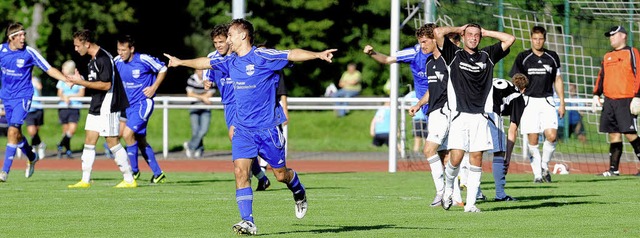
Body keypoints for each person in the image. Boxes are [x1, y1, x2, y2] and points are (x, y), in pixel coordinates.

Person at [164, 18, 335, 235]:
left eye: (231, 35)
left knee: (281, 175)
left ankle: (298, 190)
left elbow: (291, 53)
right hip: (243, 129)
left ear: (243, 35)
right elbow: (205, 63)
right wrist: (180, 62)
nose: (228, 40)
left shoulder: (262, 56)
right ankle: (248, 221)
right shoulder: (230, 61)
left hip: (268, 128)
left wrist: (318, 55)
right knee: (239, 172)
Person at [436, 23, 515, 213]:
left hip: (480, 116)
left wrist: (486, 31)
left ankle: (470, 204)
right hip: (459, 116)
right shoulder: (453, 54)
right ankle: (448, 188)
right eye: (469, 35)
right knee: (455, 158)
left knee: (477, 158)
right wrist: (458, 28)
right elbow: (438, 32)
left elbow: (510, 39)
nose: (473, 38)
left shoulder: (487, 55)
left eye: (477, 35)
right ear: (463, 36)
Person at [364, 23, 437, 204]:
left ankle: (459, 186)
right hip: (427, 107)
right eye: (420, 42)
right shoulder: (414, 53)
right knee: (439, 150)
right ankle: (449, 188)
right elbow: (388, 59)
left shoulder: (446, 53)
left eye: (426, 41)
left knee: (451, 147)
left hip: (447, 103)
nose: (423, 45)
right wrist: (373, 53)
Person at [201, 24, 272, 191]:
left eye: (221, 41)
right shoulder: (213, 57)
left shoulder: (238, 54)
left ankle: (253, 171)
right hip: (228, 105)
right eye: (215, 42)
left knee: (236, 137)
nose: (218, 45)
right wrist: (207, 82)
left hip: (243, 104)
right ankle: (262, 177)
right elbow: (209, 73)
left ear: (229, 39)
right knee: (239, 142)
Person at [66, 29, 136, 188]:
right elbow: (95, 82)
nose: (76, 49)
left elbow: (106, 85)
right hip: (96, 104)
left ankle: (129, 179)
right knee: (89, 140)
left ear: (87, 44)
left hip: (108, 105)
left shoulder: (103, 59)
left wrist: (81, 83)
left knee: (112, 141)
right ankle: (85, 180)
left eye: (78, 46)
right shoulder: (92, 60)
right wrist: (79, 79)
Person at [0, 22, 70, 182]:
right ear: (11, 38)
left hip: (23, 97)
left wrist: (65, 80)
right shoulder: (1, 51)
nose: (24, 38)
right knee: (16, 134)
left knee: (12, 131)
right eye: (20, 35)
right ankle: (32, 156)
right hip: (7, 98)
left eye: (24, 34)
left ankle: (4, 172)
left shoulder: (29, 53)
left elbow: (49, 68)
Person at [509, 26, 565, 183]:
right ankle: (537, 175)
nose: (538, 41)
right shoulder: (523, 57)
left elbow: (558, 80)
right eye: (535, 38)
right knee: (533, 140)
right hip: (529, 102)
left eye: (540, 38)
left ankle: (544, 166)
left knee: (552, 136)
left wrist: (562, 102)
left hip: (547, 100)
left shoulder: (552, 57)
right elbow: (516, 79)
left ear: (544, 39)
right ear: (531, 39)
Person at [114, 34, 167, 184]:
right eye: (118, 49)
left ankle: (134, 172)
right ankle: (158, 174)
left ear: (131, 49)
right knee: (140, 140)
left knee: (127, 133)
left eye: (123, 50)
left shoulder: (143, 59)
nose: (120, 53)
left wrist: (154, 87)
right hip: (128, 107)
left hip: (143, 104)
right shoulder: (117, 61)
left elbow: (163, 68)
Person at [593, 25, 640, 177]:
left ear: (623, 36)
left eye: (614, 35)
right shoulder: (607, 56)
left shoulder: (632, 52)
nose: (611, 38)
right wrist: (596, 94)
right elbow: (602, 76)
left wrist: (638, 96)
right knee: (613, 135)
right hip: (609, 101)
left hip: (626, 100)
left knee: (630, 133)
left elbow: (639, 73)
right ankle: (614, 169)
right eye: (610, 36)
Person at [57, 60, 85, 159]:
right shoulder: (62, 79)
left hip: (75, 107)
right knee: (65, 130)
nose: (62, 70)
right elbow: (59, 93)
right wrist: (64, 98)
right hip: (63, 107)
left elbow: (81, 94)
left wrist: (70, 96)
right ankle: (67, 150)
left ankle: (60, 144)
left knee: (72, 130)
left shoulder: (79, 78)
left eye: (64, 68)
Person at [185, 68, 213, 159]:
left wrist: (199, 96)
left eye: (202, 71)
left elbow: (210, 93)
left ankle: (190, 146)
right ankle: (199, 149)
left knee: (203, 130)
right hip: (194, 108)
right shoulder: (191, 79)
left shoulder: (210, 78)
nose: (200, 73)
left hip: (206, 108)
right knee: (195, 131)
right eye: (199, 71)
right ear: (195, 71)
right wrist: (203, 98)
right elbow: (189, 94)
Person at [24, 76, 46, 159]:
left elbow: (39, 87)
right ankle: (40, 144)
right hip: (29, 109)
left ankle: (35, 146)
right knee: (32, 131)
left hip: (38, 107)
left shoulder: (35, 79)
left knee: (36, 131)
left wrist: (34, 82)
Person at [404, 91, 427, 155]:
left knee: (426, 137)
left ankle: (423, 152)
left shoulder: (425, 91)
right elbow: (404, 100)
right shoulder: (413, 93)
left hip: (425, 117)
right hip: (418, 117)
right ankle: (416, 152)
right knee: (418, 137)